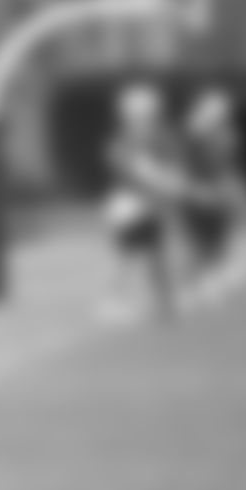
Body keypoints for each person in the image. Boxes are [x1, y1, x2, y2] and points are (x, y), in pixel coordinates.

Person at [101, 82, 185, 322]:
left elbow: (172, 166)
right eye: (138, 112)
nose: (143, 116)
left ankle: (163, 302)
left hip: (153, 204)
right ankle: (113, 301)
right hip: (130, 204)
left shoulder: (160, 136)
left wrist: (170, 181)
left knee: (156, 253)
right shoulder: (123, 140)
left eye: (146, 112)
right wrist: (159, 178)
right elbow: (124, 165)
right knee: (125, 255)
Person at [179, 88, 245, 298]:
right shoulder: (193, 134)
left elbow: (225, 164)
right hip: (197, 192)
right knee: (199, 240)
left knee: (218, 237)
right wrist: (196, 189)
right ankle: (196, 283)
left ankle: (212, 278)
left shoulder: (224, 135)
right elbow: (188, 165)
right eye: (215, 111)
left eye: (222, 112)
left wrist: (230, 185)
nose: (219, 115)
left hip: (217, 192)